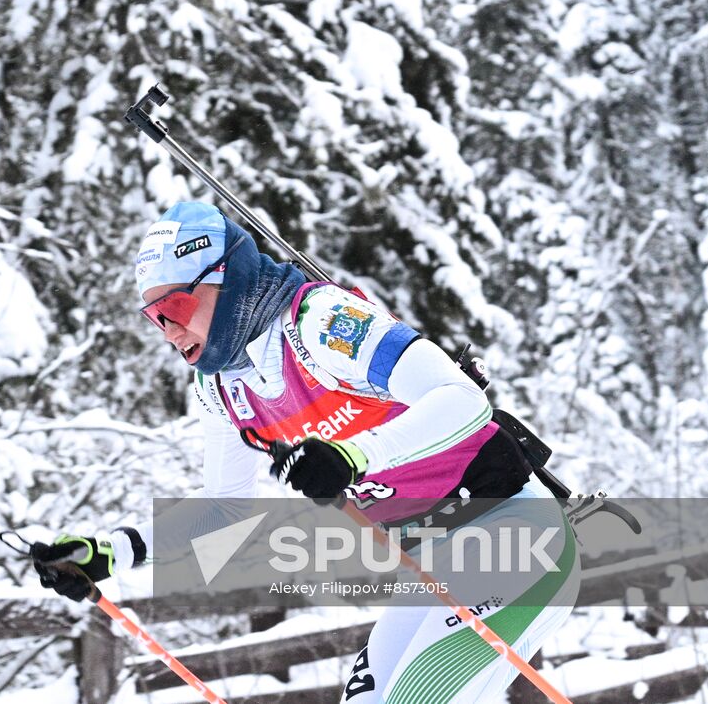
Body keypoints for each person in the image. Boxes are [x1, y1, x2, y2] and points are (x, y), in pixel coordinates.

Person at [32, 201, 579, 704]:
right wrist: (114, 553)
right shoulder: (222, 386)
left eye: (176, 306)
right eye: (155, 317)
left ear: (228, 279)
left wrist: (353, 456)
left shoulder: (320, 323)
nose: (170, 331)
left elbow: (461, 398)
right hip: (436, 564)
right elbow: (224, 508)